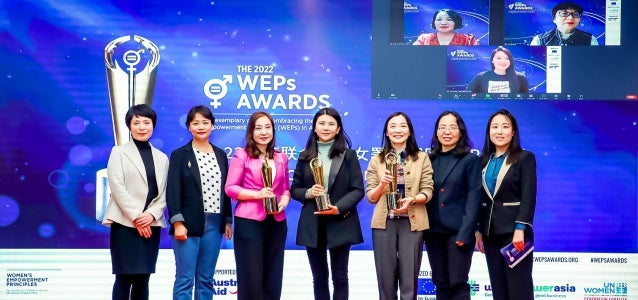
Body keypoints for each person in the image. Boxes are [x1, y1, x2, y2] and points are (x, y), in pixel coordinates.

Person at [290, 108, 365, 300]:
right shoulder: (304, 156)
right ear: (314, 128)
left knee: (340, 278)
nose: (326, 127)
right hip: (312, 224)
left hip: (340, 222)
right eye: (321, 123)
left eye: (331, 124)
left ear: (338, 128)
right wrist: (308, 193)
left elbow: (357, 190)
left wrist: (338, 208)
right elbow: (295, 189)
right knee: (319, 279)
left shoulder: (349, 155)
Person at [166, 105, 233, 300]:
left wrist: (227, 220)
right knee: (185, 278)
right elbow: (173, 190)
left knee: (206, 279)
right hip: (187, 223)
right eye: (196, 123)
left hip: (215, 223)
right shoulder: (180, 154)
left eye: (205, 122)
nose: (201, 126)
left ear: (212, 125)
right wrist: (177, 222)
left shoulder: (220, 154)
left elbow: (226, 189)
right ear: (189, 127)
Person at [102, 104, 169, 300]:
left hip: (151, 224)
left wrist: (150, 215)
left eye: (146, 123)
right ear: (129, 126)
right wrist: (137, 218)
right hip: (125, 224)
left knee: (143, 278)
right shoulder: (119, 152)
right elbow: (117, 186)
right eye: (136, 122)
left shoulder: (162, 158)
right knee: (124, 278)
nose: (142, 127)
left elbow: (164, 192)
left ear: (153, 126)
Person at [366, 112, 434, 300]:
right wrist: (382, 185)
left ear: (410, 131)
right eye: (393, 126)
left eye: (403, 126)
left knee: (409, 283)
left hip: (412, 225)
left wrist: (413, 199)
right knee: (385, 283)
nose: (398, 130)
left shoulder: (422, 158)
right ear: (386, 132)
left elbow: (428, 190)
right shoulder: (376, 160)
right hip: (384, 224)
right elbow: (370, 197)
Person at [225, 111, 290, 300]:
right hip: (249, 222)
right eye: (258, 127)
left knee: (273, 277)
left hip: (277, 222)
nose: (263, 132)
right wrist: (257, 194)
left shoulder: (281, 157)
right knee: (250, 277)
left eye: (267, 127)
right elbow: (230, 188)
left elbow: (285, 189)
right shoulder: (242, 155)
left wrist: (284, 202)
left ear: (273, 131)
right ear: (251, 132)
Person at [475, 109, 537, 300]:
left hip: (514, 234)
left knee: (519, 289)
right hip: (489, 234)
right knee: (499, 290)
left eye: (505, 126)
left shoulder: (524, 158)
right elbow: (479, 198)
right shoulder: (483, 161)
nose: (499, 131)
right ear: (489, 132)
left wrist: (520, 229)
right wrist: (478, 230)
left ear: (513, 132)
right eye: (495, 127)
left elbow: (529, 195)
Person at [424, 111, 482, 300]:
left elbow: (474, 197)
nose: (447, 132)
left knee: (457, 283)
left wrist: (466, 233)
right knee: (440, 282)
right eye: (442, 127)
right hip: (432, 232)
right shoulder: (428, 160)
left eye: (452, 127)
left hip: (458, 232)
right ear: (436, 132)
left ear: (461, 131)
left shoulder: (470, 160)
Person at [530, 1, 598, 46]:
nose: (570, 18)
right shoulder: (540, 40)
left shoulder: (590, 39)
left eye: (575, 14)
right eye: (564, 13)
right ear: (554, 19)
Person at [413, 9, 479, 46]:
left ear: (456, 22)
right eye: (439, 20)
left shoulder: (469, 40)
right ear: (434, 22)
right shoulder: (424, 39)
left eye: (449, 19)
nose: (443, 23)